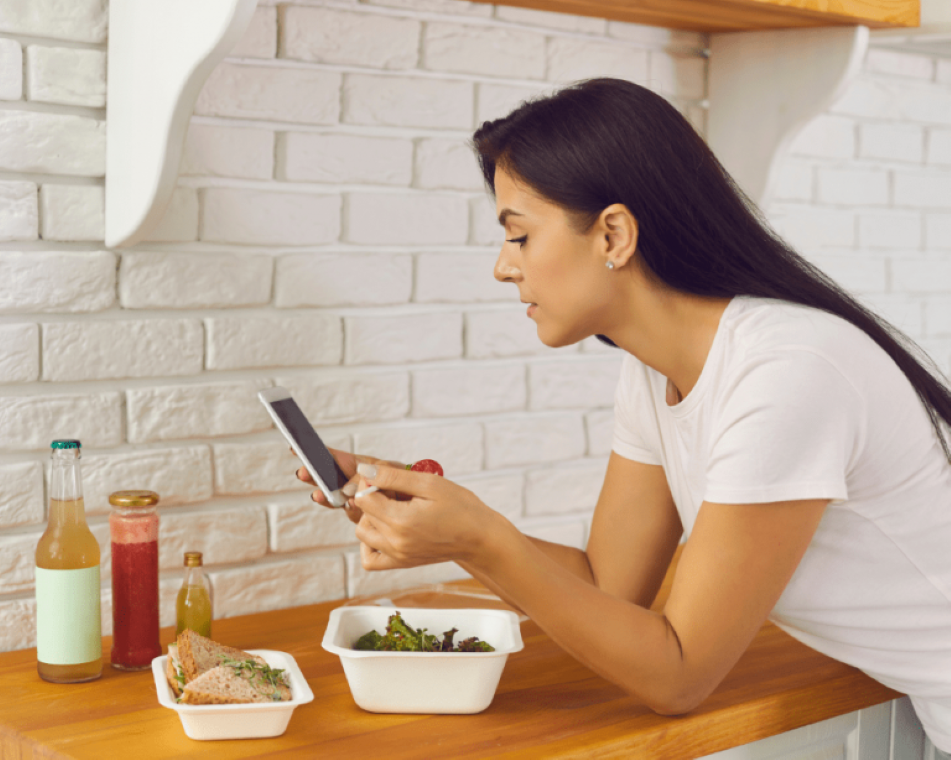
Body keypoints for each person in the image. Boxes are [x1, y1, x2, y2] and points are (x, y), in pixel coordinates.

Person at [297, 78, 951, 753]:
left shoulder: (786, 371)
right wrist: (436, 512)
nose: (501, 267)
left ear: (612, 233)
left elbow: (678, 674)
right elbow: (608, 587)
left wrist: (479, 540)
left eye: (518, 236)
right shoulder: (653, 370)